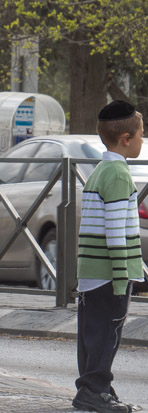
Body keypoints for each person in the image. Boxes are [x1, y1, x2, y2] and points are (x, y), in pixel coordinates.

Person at [73, 100, 145, 413]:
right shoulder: (118, 175)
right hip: (109, 273)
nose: (144, 139)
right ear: (126, 139)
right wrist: (121, 277)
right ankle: (93, 391)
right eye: (142, 133)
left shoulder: (101, 170)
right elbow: (117, 233)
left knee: (92, 333)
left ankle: (97, 388)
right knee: (107, 334)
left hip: (92, 271)